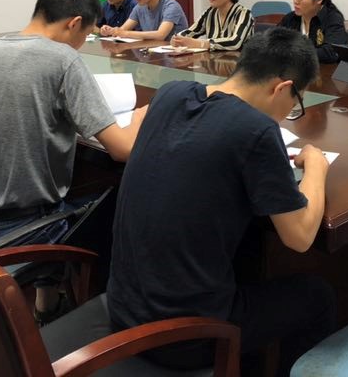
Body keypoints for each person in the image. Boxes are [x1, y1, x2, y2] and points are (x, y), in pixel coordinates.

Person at [108, 27, 336, 376]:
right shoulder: (257, 130)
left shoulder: (170, 94)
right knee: (318, 296)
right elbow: (300, 237)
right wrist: (317, 167)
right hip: (185, 336)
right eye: (296, 102)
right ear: (282, 88)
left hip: (123, 310)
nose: (291, 110)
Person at [0, 0, 146, 320]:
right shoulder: (63, 60)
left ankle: (47, 299)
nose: (80, 45)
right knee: (116, 202)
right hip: (26, 231)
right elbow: (122, 150)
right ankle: (82, 313)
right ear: (74, 23)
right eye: (84, 36)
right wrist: (148, 113)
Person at [171, 0, 254, 51]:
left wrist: (201, 44)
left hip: (239, 59)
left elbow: (235, 42)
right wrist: (178, 38)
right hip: (214, 59)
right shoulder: (210, 12)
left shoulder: (244, 14)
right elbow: (191, 31)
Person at [278, 0, 348, 63]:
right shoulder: (290, 18)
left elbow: (331, 53)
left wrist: (292, 53)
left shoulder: (333, 19)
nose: (295, 1)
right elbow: (272, 42)